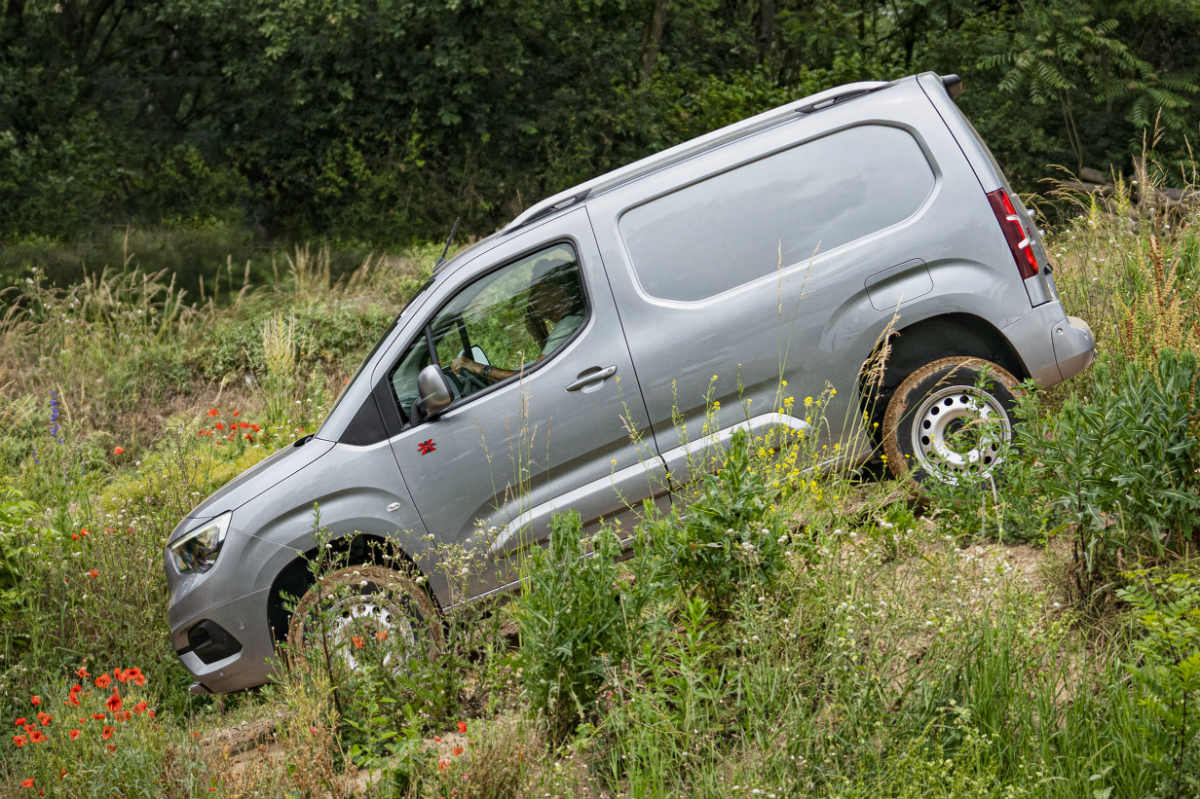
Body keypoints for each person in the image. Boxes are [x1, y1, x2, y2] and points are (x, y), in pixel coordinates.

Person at [451, 257, 584, 384]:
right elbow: (551, 365)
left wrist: (475, 366)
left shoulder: (569, 323)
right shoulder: (575, 318)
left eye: (537, 292)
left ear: (557, 292)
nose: (531, 299)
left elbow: (532, 378)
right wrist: (540, 335)